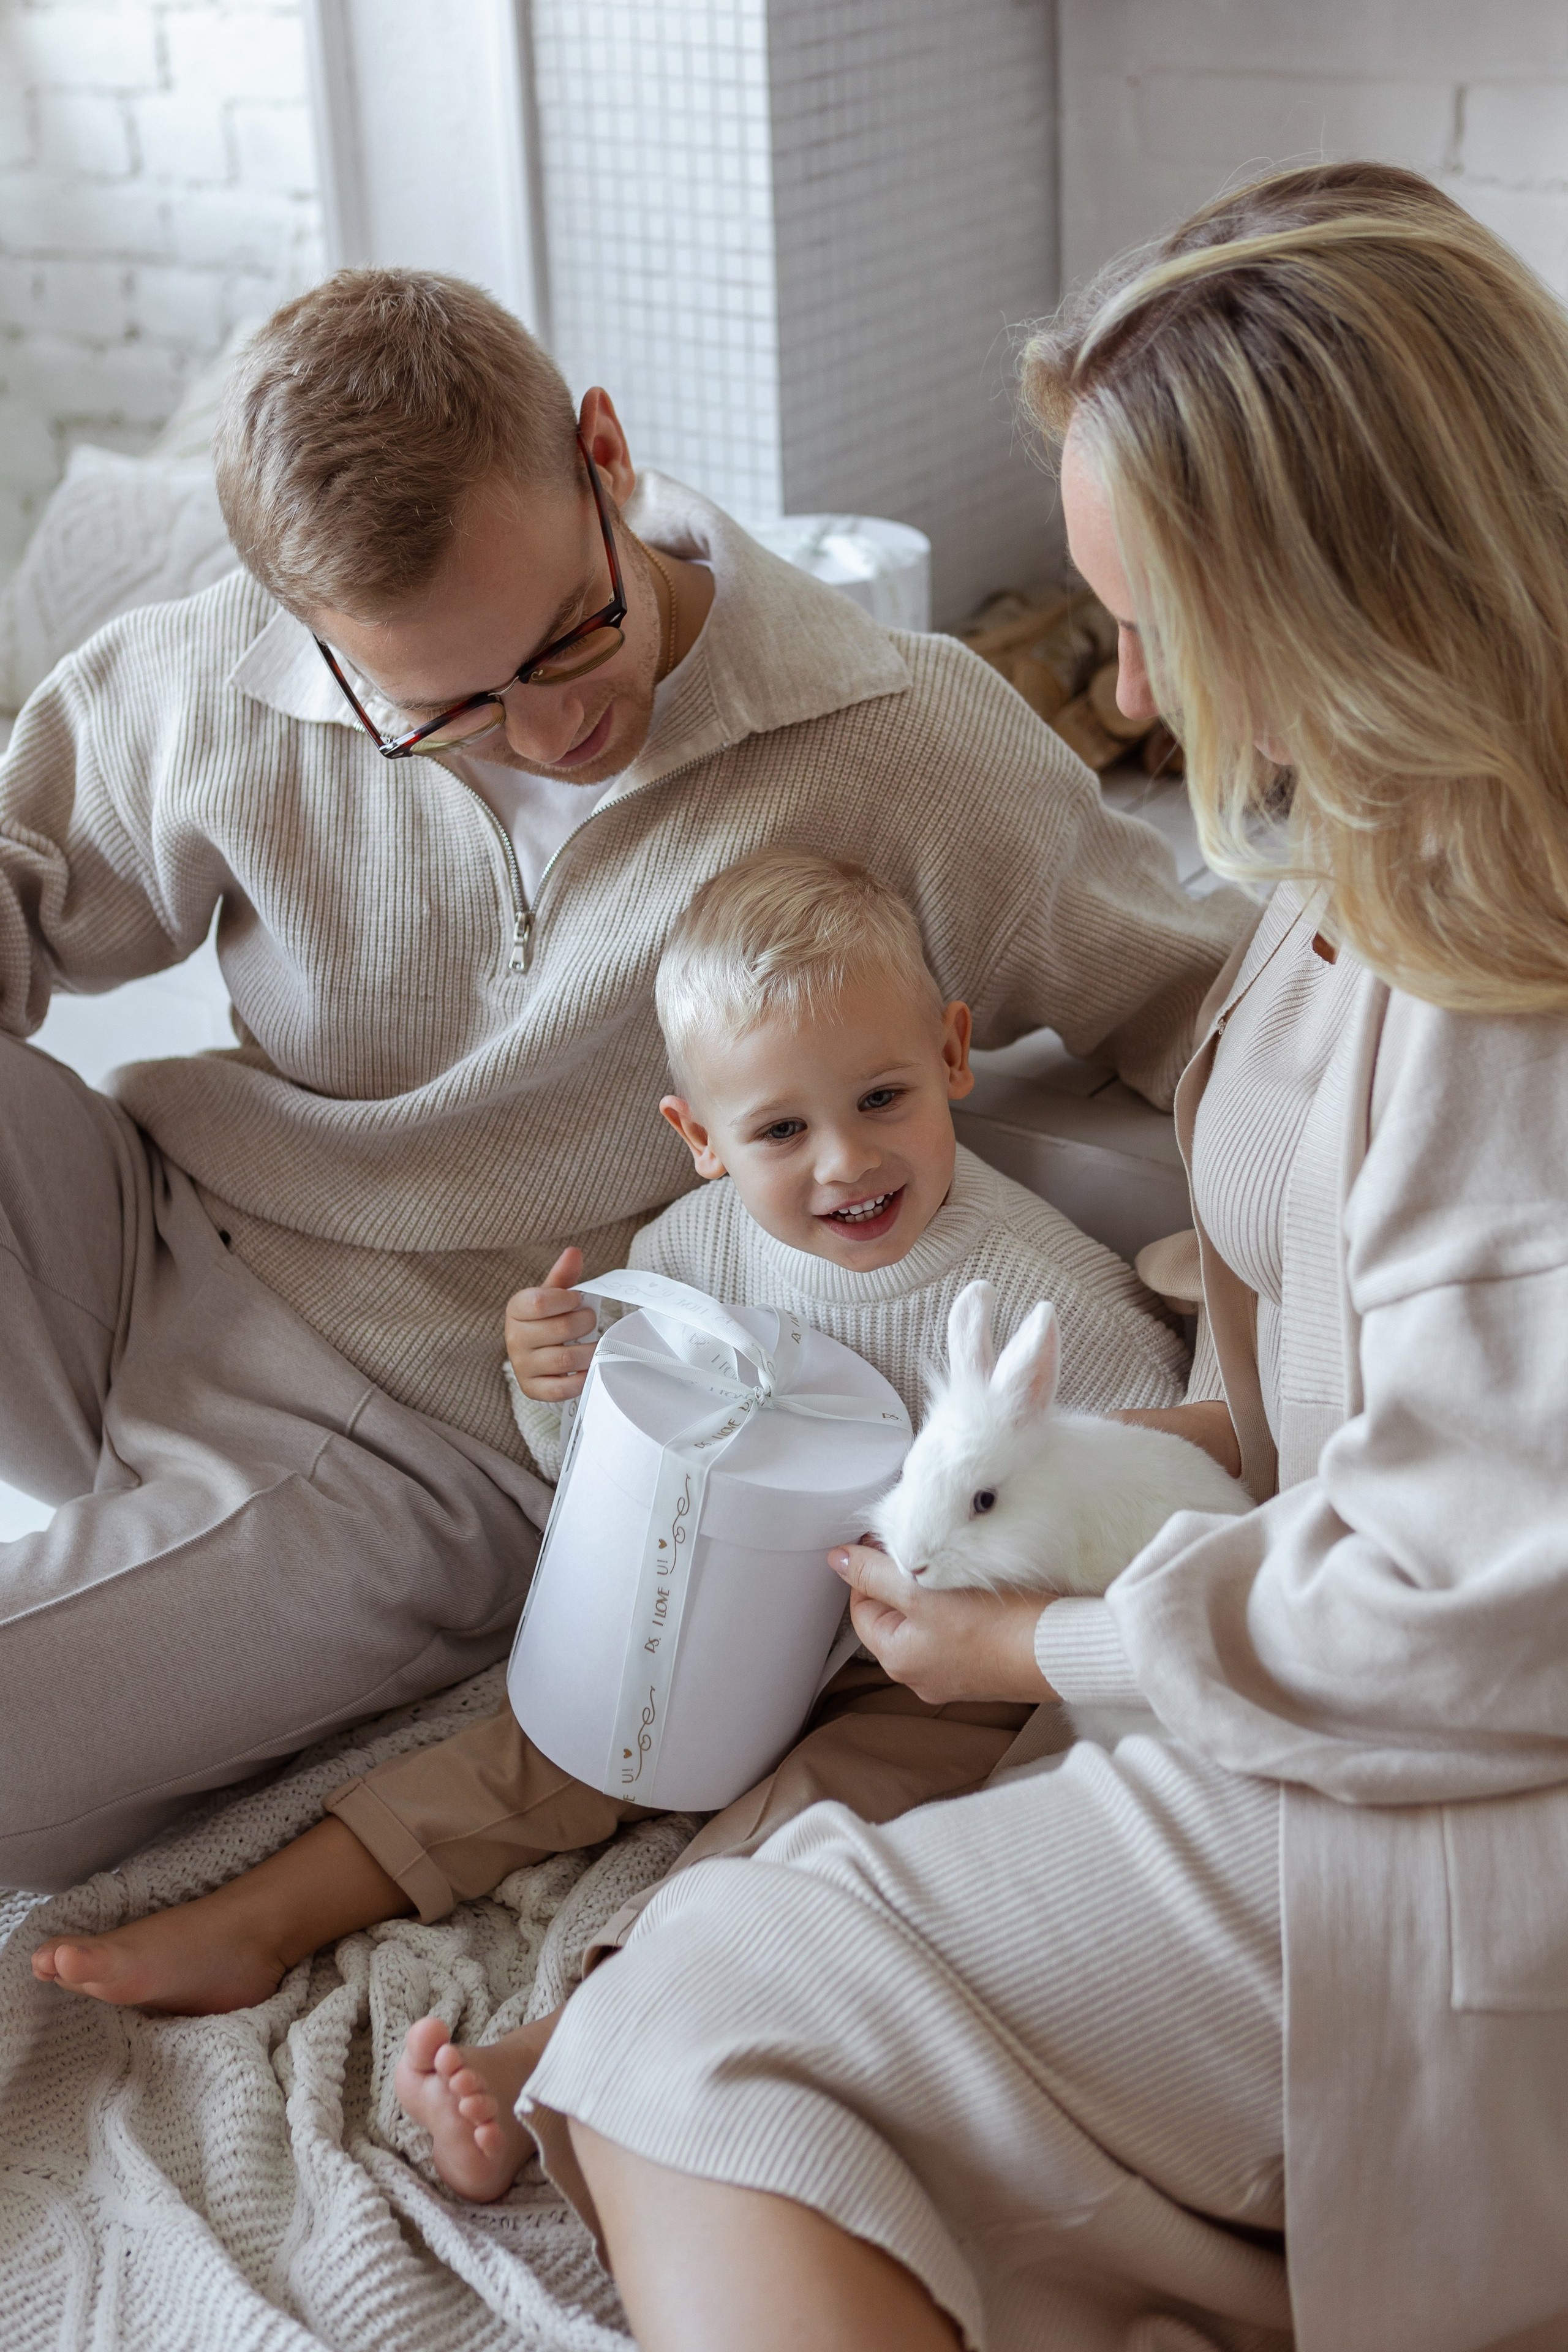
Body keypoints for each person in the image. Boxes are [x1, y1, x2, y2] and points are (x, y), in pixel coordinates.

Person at [388, 164, 1568, 2352]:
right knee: (749, 1925)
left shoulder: (1507, 992)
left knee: (709, 2030)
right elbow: (1396, 1377)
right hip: (1327, 1678)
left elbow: (1471, 1606)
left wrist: (1047, 1656)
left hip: (1460, 1825)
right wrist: (1172, 1455)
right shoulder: (1397, 853)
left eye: (1154, 627)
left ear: (1342, 598)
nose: (1123, 688)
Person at [0, 271, 1242, 1894]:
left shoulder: (899, 737)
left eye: (569, 637)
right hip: (137, 1230)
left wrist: (1240, 1364)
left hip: (416, 1417)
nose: (548, 727)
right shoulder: (225, 673)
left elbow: (1213, 1008)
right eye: (441, 713)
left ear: (608, 453)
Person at [32, 844, 1193, 2020]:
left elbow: (1137, 1505)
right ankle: (259, 1920)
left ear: (952, 1056)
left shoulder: (1049, 1299)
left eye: (881, 1098)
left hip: (931, 1671)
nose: (845, 1162)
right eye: (780, 1131)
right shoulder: (691, 1258)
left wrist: (998, 1636)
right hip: (711, 1621)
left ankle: (589, 2032)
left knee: (816, 1824)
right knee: (520, 1752)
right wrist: (555, 1390)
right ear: (700, 1138)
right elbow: (602, 1481)